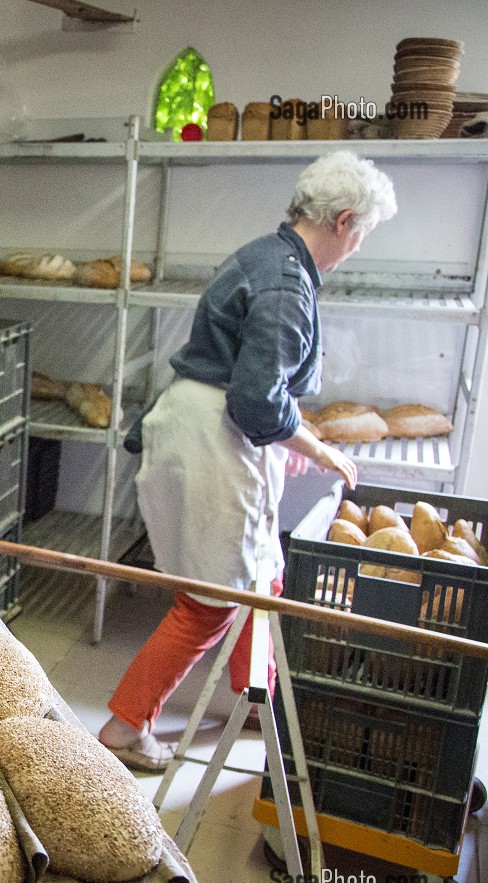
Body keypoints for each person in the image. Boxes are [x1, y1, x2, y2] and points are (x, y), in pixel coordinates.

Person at [97, 150, 397, 771]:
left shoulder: (268, 253)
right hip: (213, 434)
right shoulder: (286, 282)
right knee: (210, 601)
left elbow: (258, 388)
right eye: (362, 233)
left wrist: (280, 441)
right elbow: (257, 399)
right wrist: (310, 445)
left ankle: (251, 695)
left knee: (264, 577)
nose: (358, 247)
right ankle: (125, 726)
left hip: (215, 427)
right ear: (343, 221)